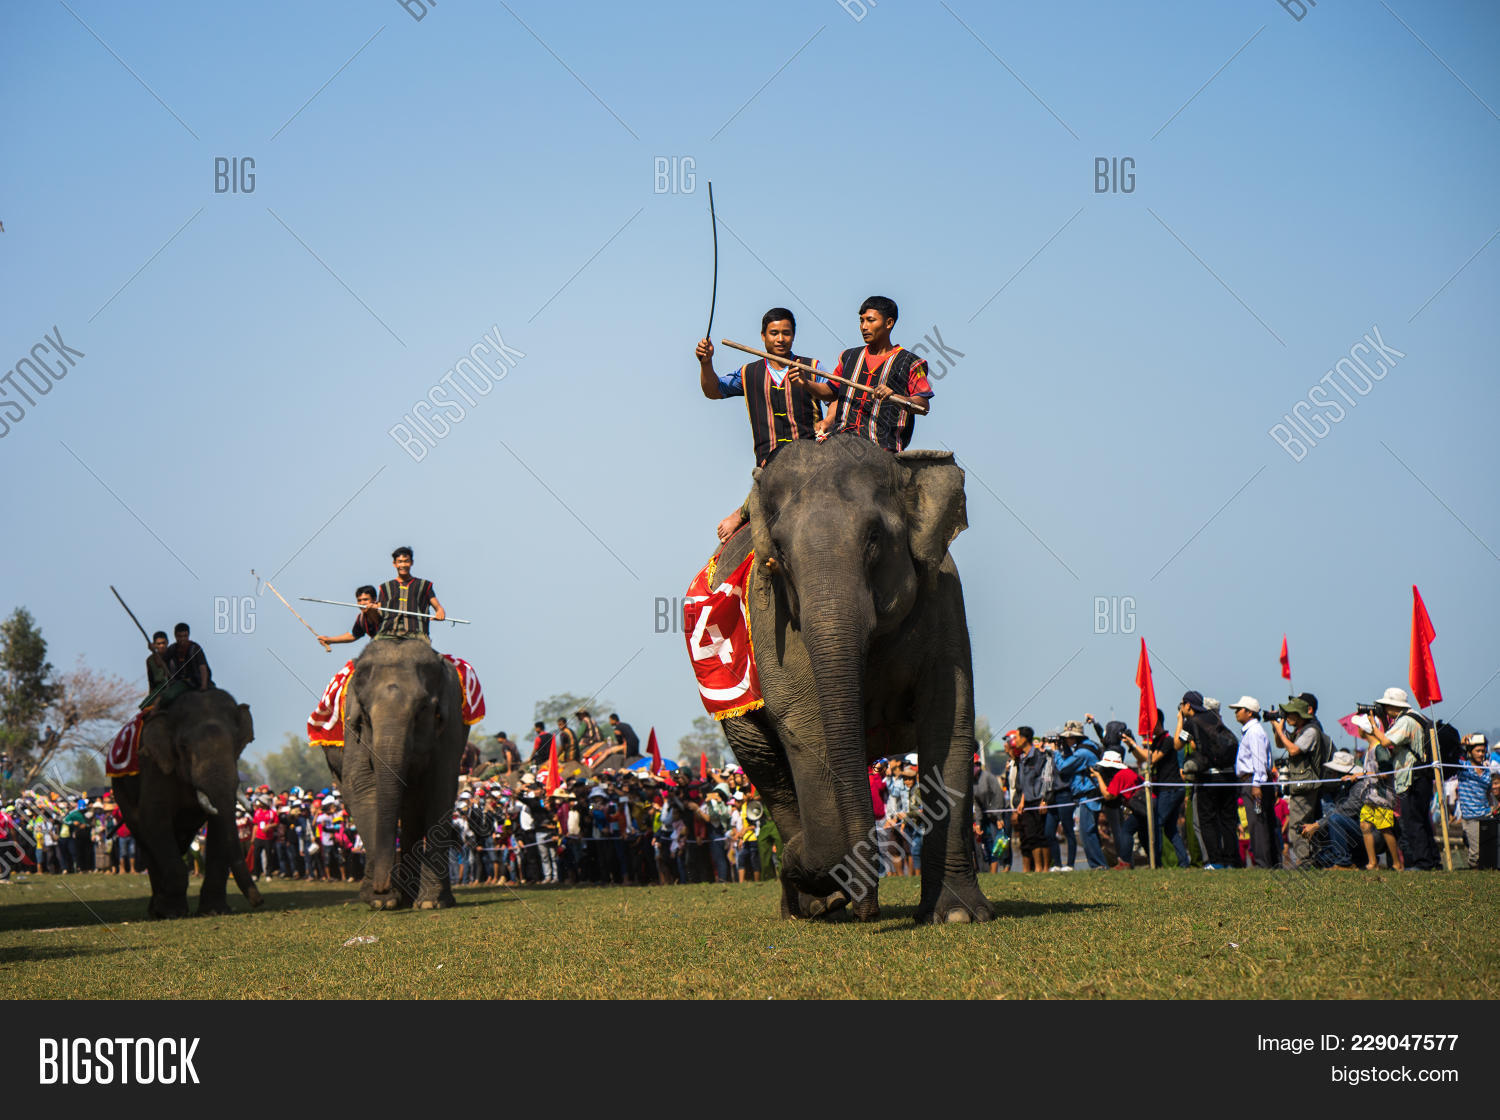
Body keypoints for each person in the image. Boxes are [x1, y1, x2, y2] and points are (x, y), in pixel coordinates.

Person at [696, 307, 836, 541]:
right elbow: (713, 390)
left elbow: (835, 394)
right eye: (774, 333)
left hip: (810, 459)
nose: (780, 339)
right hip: (768, 462)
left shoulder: (811, 367)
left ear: (793, 335)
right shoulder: (748, 373)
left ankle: (742, 512)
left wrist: (828, 420)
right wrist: (706, 363)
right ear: (763, 336)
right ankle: (743, 513)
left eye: (786, 333)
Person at [815, 296, 933, 451]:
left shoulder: (911, 363)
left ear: (889, 323)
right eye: (861, 321)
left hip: (882, 450)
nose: (864, 326)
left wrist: (896, 397)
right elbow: (832, 392)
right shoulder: (848, 357)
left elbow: (923, 406)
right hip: (840, 444)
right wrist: (803, 383)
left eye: (870, 320)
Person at [1358, 687, 1439, 870]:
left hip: (1413, 777)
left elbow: (1386, 742)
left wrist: (1372, 725)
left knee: (1413, 822)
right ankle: (1433, 861)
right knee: (1422, 821)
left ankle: (1423, 863)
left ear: (1394, 706)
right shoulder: (1415, 717)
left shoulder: (1406, 721)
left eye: (1386, 707)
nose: (1384, 710)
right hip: (1420, 777)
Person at [1178, 691, 1240, 869]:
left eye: (1183, 705)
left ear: (1188, 705)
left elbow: (1178, 743)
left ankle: (1215, 861)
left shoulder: (1191, 722)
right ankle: (1231, 861)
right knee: (1228, 820)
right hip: (1228, 775)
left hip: (1209, 777)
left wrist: (1180, 720)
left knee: (1207, 820)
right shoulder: (1214, 719)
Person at [1229, 697, 1278, 868]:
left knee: (1258, 823)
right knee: (1257, 822)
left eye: (1239, 709)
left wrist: (1257, 784)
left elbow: (1259, 760)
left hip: (1253, 781)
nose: (1236, 712)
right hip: (1251, 781)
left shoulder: (1254, 732)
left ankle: (1263, 863)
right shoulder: (1251, 731)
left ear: (1249, 712)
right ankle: (1264, 861)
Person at [1090, 750, 1149, 867]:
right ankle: (1155, 862)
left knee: (1126, 831)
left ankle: (1125, 862)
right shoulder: (1127, 772)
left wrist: (1098, 777)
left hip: (1142, 805)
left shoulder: (1120, 775)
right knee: (1143, 835)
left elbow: (1108, 795)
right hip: (1145, 804)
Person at [375, 547, 445, 641]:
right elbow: (379, 612)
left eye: (406, 561)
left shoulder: (424, 585)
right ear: (394, 564)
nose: (403, 565)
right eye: (400, 561)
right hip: (388, 632)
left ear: (411, 562)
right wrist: (372, 609)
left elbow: (438, 607)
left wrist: (440, 612)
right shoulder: (384, 587)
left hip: (416, 633)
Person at [1455, 734, 1496, 869]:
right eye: (1478, 751)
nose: (1481, 754)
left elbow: (1490, 793)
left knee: (1489, 850)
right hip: (1471, 818)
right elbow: (1448, 755)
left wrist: (1493, 807)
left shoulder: (1486, 771)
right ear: (1470, 752)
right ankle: (1473, 871)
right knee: (1476, 853)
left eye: (1483, 751)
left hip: (1486, 815)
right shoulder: (1462, 767)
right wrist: (1459, 743)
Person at [1014, 727, 1051, 872]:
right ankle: (1038, 867)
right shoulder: (1022, 759)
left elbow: (1045, 779)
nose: (1015, 740)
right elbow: (1024, 784)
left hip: (1039, 800)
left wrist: (1044, 799)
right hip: (1027, 802)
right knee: (1031, 835)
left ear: (1024, 739)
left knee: (1042, 834)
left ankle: (1046, 867)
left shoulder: (1039, 756)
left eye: (1017, 737)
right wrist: (1022, 802)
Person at [164, 622, 212, 692]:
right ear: (175, 636)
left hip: (196, 681)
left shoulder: (195, 648)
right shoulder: (172, 649)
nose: (183, 639)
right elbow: (162, 663)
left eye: (185, 636)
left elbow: (202, 666)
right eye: (180, 636)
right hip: (179, 682)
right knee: (167, 697)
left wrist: (204, 685)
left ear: (188, 635)